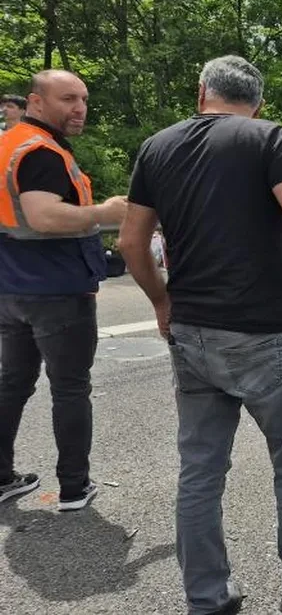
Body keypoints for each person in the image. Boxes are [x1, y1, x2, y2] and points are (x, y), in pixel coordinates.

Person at [116, 55, 282, 615]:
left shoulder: (157, 147)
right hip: (264, 334)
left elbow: (132, 244)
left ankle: (207, 598)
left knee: (200, 470)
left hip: (191, 334)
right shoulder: (270, 140)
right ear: (257, 103)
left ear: (201, 92)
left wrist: (163, 302)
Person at [0, 70, 127, 511]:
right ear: (36, 102)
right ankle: (74, 487)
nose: (79, 109)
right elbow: (44, 216)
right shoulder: (41, 152)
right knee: (70, 388)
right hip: (55, 291)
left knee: (12, 383)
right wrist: (105, 212)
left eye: (84, 99)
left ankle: (2, 476)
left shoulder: (8, 144)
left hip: (10, 288)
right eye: (67, 99)